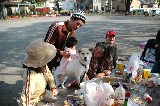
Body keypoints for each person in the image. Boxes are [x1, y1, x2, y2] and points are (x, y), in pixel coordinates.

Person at [18, 39, 58, 106]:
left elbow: (49, 75)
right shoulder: (30, 79)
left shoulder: (43, 65)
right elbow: (25, 101)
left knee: (58, 100)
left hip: (42, 94)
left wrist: (52, 87)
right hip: (32, 101)